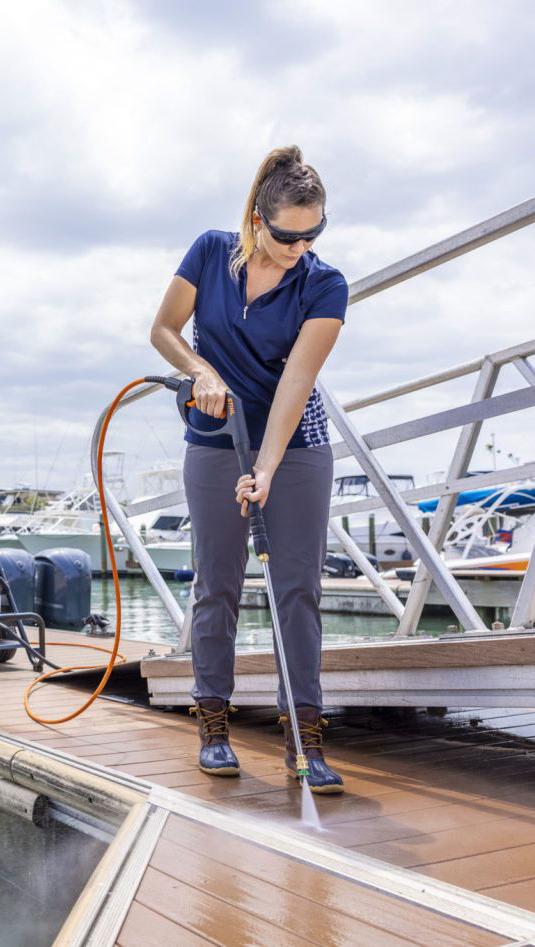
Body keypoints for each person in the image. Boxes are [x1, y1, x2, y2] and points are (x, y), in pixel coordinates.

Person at [149, 145, 348, 793]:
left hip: (296, 447)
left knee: (298, 589)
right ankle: (213, 728)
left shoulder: (325, 285)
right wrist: (200, 370)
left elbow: (296, 383)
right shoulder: (209, 253)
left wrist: (264, 467)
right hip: (215, 441)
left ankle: (304, 740)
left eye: (313, 234)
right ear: (258, 221)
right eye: (289, 236)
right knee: (217, 584)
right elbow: (164, 330)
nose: (301, 248)